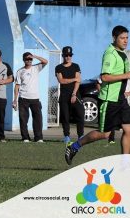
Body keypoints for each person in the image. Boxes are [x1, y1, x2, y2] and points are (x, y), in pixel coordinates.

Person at [65, 25, 130, 165]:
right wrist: (126, 75)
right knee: (105, 134)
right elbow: (105, 77)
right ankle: (74, 146)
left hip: (121, 98)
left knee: (128, 129)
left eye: (127, 38)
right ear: (114, 38)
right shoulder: (110, 54)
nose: (125, 41)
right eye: (122, 38)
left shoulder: (123, 53)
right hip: (109, 99)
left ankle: (125, 165)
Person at [13, 52, 48, 143]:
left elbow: (45, 61)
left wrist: (35, 56)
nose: (29, 61)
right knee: (23, 119)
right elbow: (17, 86)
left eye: (30, 59)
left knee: (38, 119)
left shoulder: (36, 68)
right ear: (23, 60)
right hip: (23, 98)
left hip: (35, 99)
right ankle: (25, 137)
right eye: (27, 59)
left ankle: (38, 137)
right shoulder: (20, 71)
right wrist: (15, 100)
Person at [55, 46, 85, 144]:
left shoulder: (76, 66)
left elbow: (78, 80)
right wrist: (73, 79)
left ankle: (81, 136)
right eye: (66, 55)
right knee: (65, 117)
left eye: (70, 55)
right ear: (63, 55)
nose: (68, 57)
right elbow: (61, 81)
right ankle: (66, 136)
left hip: (75, 94)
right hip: (64, 95)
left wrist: (74, 94)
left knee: (80, 114)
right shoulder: (58, 67)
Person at [96, 78, 116, 144]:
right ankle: (101, 134)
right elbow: (98, 83)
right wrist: (101, 92)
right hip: (104, 99)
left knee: (113, 119)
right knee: (103, 120)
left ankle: (111, 138)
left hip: (115, 99)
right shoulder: (105, 73)